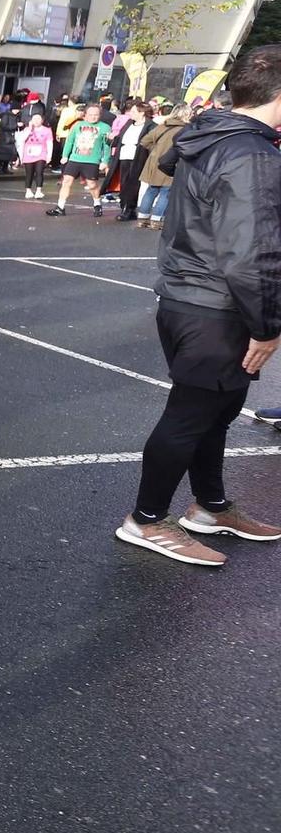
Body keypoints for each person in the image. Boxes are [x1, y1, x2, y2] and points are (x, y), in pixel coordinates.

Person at [115, 45, 281, 567]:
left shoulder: (210, 136)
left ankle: (210, 507)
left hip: (191, 298)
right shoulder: (250, 153)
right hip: (217, 306)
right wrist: (267, 324)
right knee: (191, 414)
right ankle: (145, 519)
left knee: (216, 410)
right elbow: (251, 249)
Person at [45, 101, 112, 218]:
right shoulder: (77, 126)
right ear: (85, 115)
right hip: (75, 158)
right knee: (66, 181)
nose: (93, 117)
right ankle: (60, 207)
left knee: (92, 184)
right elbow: (70, 141)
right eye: (91, 114)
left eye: (96, 114)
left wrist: (104, 161)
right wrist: (65, 156)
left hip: (92, 160)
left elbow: (107, 146)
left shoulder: (105, 128)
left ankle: (97, 203)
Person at [135, 103, 189, 229]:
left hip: (154, 162)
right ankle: (157, 220)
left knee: (151, 190)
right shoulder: (185, 129)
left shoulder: (162, 126)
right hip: (171, 163)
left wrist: (155, 150)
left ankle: (142, 218)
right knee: (166, 192)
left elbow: (144, 141)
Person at [115, 100, 150, 221]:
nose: (131, 113)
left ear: (142, 113)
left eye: (134, 111)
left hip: (138, 157)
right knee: (124, 182)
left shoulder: (149, 125)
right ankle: (125, 206)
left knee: (133, 183)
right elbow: (121, 137)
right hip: (124, 155)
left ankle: (128, 208)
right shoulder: (129, 123)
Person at [17, 110, 54, 199]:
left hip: (41, 154)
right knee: (29, 173)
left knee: (39, 172)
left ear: (42, 120)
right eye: (34, 119)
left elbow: (49, 143)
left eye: (38, 119)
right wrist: (29, 129)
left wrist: (49, 155)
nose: (36, 121)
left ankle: (38, 191)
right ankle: (28, 190)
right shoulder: (27, 129)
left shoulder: (47, 130)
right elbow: (21, 140)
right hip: (28, 154)